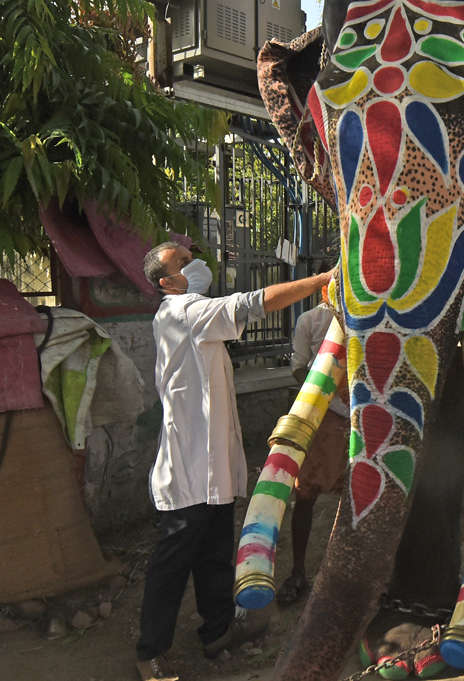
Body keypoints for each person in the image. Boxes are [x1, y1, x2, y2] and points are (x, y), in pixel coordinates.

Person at [135, 242, 331, 681]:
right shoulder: (182, 313)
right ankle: (150, 652)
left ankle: (218, 631)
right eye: (184, 263)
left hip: (213, 468)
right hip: (186, 473)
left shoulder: (197, 315)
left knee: (215, 553)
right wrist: (323, 280)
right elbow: (255, 303)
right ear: (167, 282)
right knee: (172, 564)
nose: (197, 264)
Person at [277, 266, 350, 605]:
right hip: (322, 421)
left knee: (351, 498)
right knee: (305, 495)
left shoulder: (363, 320)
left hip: (348, 419)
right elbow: (298, 366)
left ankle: (334, 573)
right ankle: (300, 572)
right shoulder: (311, 321)